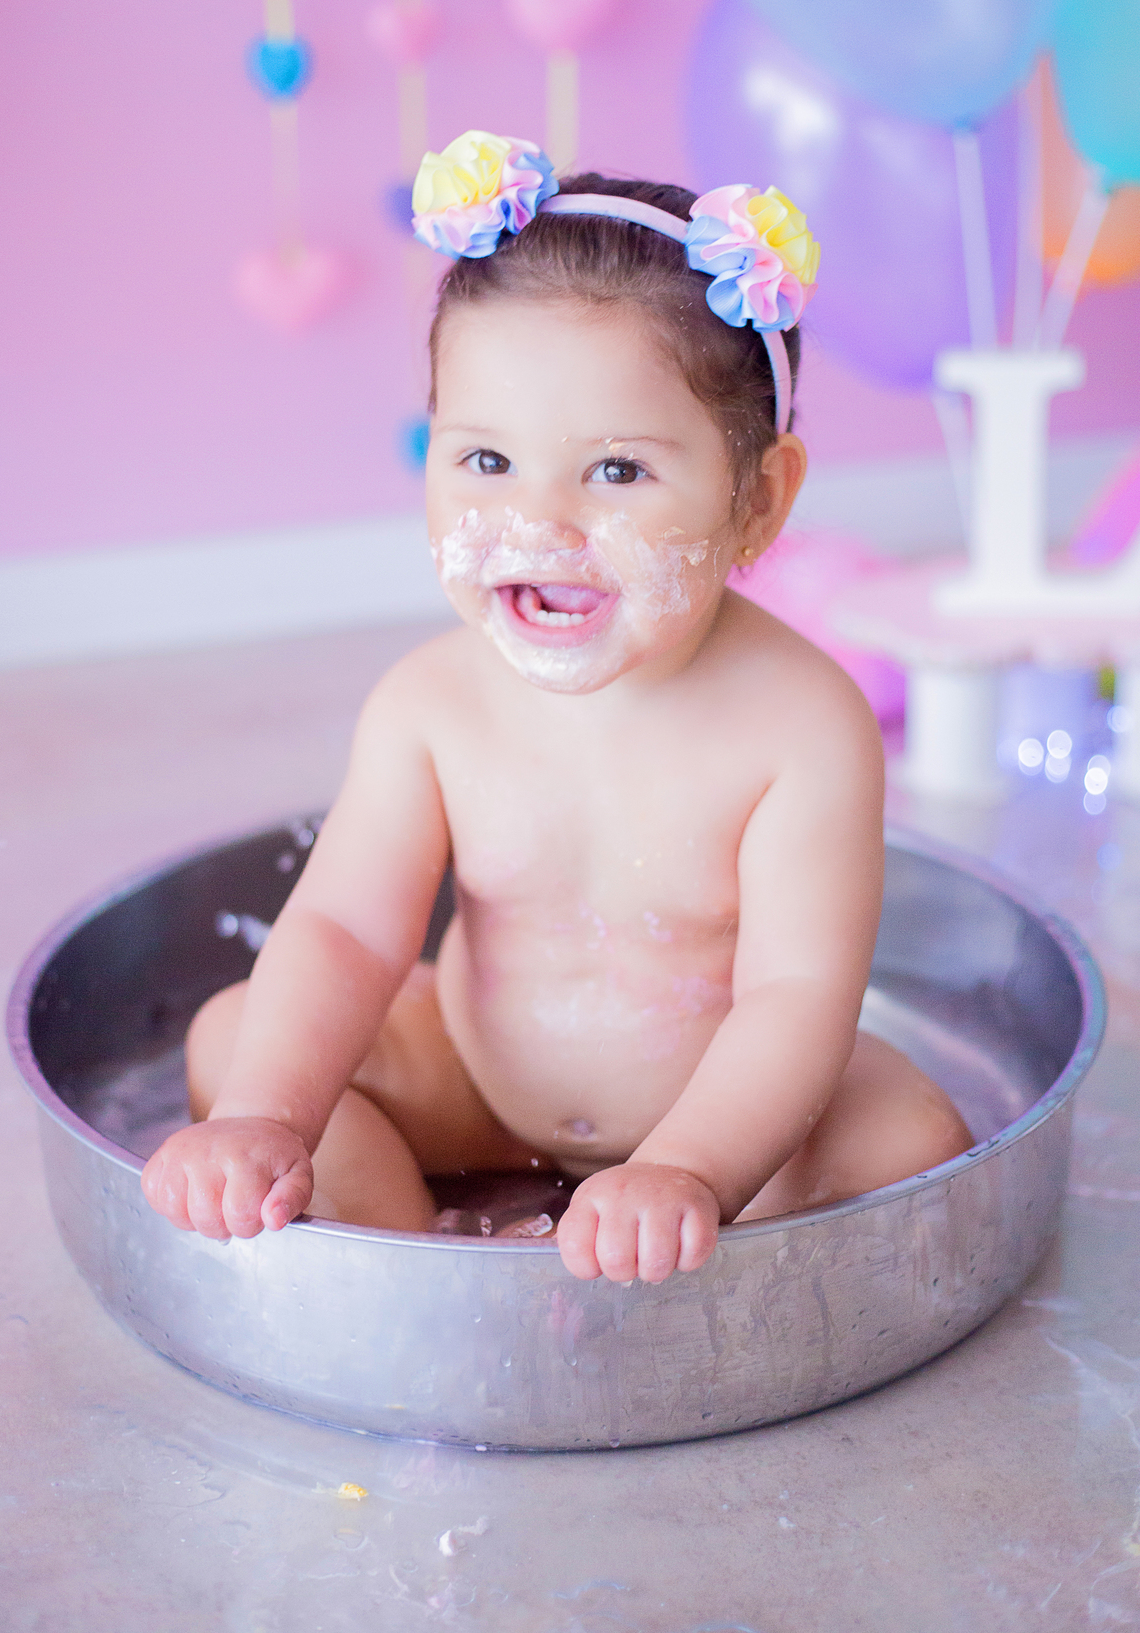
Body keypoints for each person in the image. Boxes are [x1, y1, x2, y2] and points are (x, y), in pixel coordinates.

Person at [142, 130, 970, 1285]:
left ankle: (669, 1226)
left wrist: (689, 1168)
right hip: (480, 1087)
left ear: (759, 502)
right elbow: (344, 932)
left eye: (619, 471)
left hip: (721, 1112)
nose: (540, 523)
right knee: (240, 1043)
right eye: (485, 462)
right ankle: (416, 1266)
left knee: (911, 1139)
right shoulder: (430, 705)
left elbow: (796, 996)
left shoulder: (801, 727)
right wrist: (268, 1115)